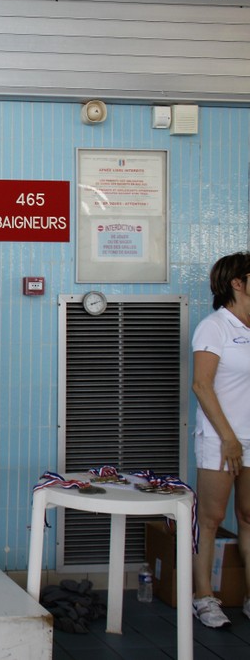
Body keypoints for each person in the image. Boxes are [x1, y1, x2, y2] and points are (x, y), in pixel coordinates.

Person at [190, 251, 250, 628]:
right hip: (220, 439)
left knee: (248, 516)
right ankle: (203, 598)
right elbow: (201, 385)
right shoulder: (214, 327)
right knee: (210, 519)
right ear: (237, 283)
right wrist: (228, 438)